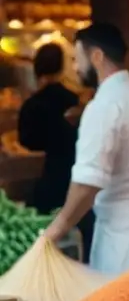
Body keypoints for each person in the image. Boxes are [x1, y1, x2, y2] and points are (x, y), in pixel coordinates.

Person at [43, 23, 129, 274]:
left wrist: (57, 229)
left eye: (77, 58)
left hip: (122, 239)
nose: (74, 67)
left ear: (96, 56)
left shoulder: (104, 105)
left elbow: (88, 181)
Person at [17, 44, 80, 213]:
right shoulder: (75, 101)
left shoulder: (31, 106)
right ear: (62, 67)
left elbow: (24, 142)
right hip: (76, 184)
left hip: (46, 185)